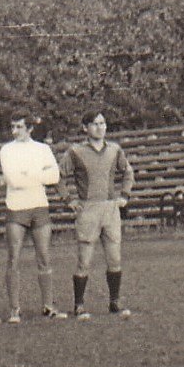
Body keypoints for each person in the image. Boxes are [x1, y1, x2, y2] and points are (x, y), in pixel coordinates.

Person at [59, 108, 136, 319]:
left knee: (115, 258)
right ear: (85, 128)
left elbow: (128, 172)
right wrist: (69, 200)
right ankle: (79, 305)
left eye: (102, 123)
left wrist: (124, 196)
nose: (100, 127)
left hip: (110, 209)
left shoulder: (114, 149)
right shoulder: (75, 152)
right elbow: (59, 177)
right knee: (84, 260)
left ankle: (115, 302)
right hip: (88, 209)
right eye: (94, 123)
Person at [0, 109, 62, 324]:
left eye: (19, 127)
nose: (14, 131)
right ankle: (14, 309)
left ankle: (48, 305)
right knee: (13, 258)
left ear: (30, 129)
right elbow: (14, 180)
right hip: (16, 208)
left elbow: (54, 176)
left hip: (39, 207)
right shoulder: (6, 150)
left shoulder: (42, 149)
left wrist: (29, 174)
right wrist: (39, 176)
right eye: (12, 126)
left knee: (44, 257)